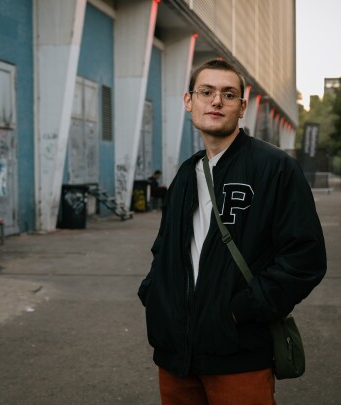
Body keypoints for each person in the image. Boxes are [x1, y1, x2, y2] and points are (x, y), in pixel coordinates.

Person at [137, 59, 327, 404]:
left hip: (239, 353)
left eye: (228, 94)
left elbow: (305, 257)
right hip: (176, 355)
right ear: (188, 101)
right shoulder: (186, 173)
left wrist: (241, 310)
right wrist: (155, 297)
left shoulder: (275, 168)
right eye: (206, 92)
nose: (216, 101)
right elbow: (165, 247)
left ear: (242, 108)